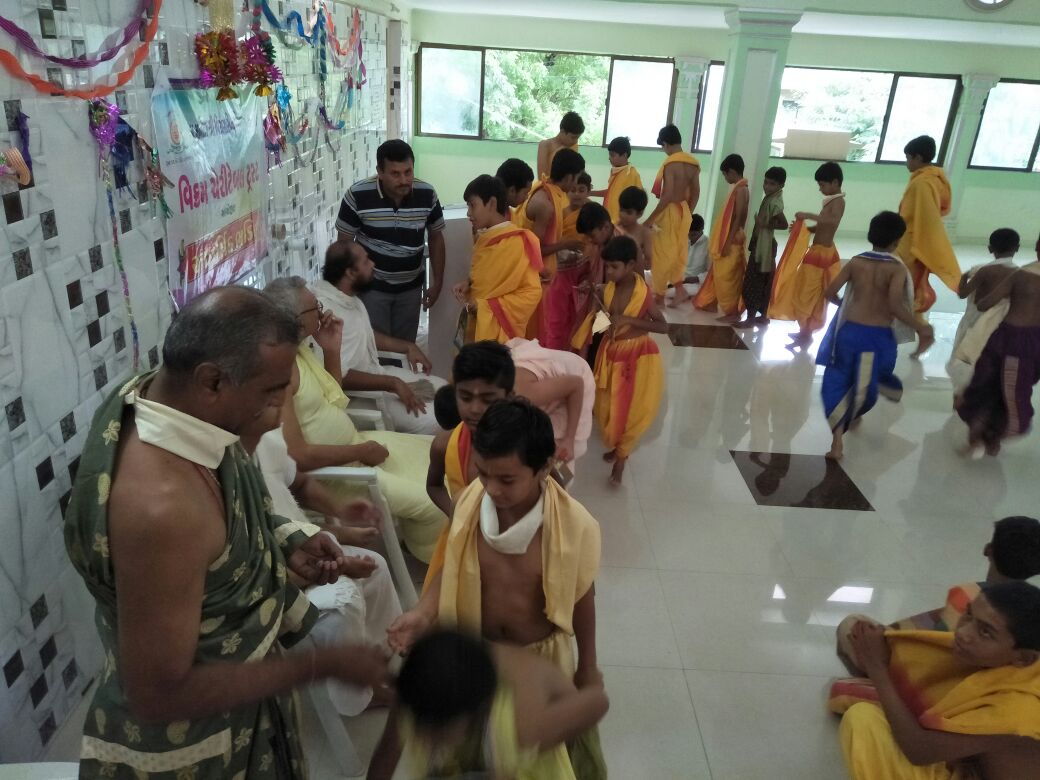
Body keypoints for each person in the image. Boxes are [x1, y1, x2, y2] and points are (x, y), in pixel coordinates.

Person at [64, 287, 388, 778]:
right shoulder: (162, 510)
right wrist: (320, 665)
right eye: (272, 392)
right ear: (212, 380)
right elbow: (157, 695)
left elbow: (227, 506)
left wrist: (285, 541)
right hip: (194, 750)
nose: (279, 409)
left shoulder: (162, 400)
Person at [378, 399, 606, 780]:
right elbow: (453, 563)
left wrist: (588, 666)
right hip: (475, 657)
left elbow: (583, 595)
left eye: (507, 480)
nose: (492, 489)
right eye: (483, 474)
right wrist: (423, 612)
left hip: (536, 662)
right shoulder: (469, 503)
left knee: (532, 758)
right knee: (464, 750)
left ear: (544, 467)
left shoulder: (572, 526)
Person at [264, 277, 447, 563]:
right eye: (315, 308)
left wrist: (331, 349)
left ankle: (424, 542)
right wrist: (360, 451)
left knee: (438, 454)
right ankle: (440, 562)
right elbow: (298, 455)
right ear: (296, 321)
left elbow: (332, 396)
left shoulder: (300, 351)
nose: (323, 312)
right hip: (340, 473)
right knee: (434, 503)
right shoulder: (279, 374)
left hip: (356, 447)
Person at [242, 405, 402, 716]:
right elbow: (252, 566)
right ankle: (355, 698)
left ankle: (376, 666)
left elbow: (300, 483)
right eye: (271, 394)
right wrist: (334, 564)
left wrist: (340, 511)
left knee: (376, 567)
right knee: (343, 601)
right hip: (269, 581)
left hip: (306, 555)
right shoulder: (216, 470)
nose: (279, 408)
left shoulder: (265, 437)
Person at [838, 582, 1040, 780]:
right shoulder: (1007, 659)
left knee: (862, 720)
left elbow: (919, 750)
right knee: (852, 625)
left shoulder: (1018, 711)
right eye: (968, 614)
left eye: (985, 632)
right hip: (971, 759)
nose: (963, 633)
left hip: (958, 764)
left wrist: (877, 668)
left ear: (1024, 658)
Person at [836, 516, 1040, 677]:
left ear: (988, 549)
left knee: (853, 624)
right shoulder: (1032, 610)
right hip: (982, 679)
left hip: (929, 672)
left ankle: (874, 680)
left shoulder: (969, 594)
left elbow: (916, 635)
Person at [392, 630, 609, 780]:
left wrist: (590, 677)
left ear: (473, 712)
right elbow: (390, 749)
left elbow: (598, 702)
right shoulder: (421, 695)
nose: (426, 738)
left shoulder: (521, 728)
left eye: (436, 732)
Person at [817, 212, 935, 460]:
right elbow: (895, 305)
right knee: (866, 383)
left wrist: (846, 306)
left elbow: (829, 292)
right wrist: (920, 326)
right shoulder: (896, 269)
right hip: (877, 338)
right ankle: (859, 409)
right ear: (897, 241)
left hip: (848, 333)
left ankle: (837, 443)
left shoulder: (856, 262)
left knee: (838, 380)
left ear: (871, 235)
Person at [312, 241, 448, 435]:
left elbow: (365, 335)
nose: (373, 264)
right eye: (366, 261)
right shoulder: (327, 311)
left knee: (445, 390)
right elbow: (338, 376)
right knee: (440, 421)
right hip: (361, 397)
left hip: (378, 375)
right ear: (350, 273)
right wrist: (393, 383)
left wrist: (407, 346)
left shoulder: (348, 297)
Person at [336, 139, 445, 341]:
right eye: (395, 173)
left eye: (408, 172)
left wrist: (438, 282)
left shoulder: (427, 194)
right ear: (380, 171)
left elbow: (436, 237)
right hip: (372, 289)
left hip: (411, 288)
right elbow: (344, 244)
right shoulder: (357, 195)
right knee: (374, 346)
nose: (404, 180)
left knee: (405, 346)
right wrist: (347, 288)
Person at [956, 233, 1040, 456]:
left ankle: (978, 430)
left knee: (987, 383)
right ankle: (993, 436)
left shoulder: (1019, 275)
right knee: (1013, 392)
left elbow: (984, 304)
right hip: (1029, 344)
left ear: (1037, 247)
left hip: (1004, 336)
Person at [595, 236, 668, 485]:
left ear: (629, 265)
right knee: (607, 406)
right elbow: (604, 319)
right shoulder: (610, 288)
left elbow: (663, 327)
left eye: (614, 267)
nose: (609, 272)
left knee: (631, 410)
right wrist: (595, 300)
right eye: (607, 266)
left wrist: (628, 320)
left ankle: (621, 458)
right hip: (610, 355)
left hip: (637, 360)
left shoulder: (643, 293)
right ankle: (618, 446)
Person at [453, 174, 543, 344]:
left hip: (500, 335)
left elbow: (532, 293)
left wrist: (487, 307)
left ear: (492, 203)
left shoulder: (518, 243)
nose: (468, 213)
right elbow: (488, 279)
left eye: (472, 205)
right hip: (476, 324)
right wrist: (469, 284)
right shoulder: (484, 238)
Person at [769, 161, 846, 347]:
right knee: (807, 291)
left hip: (823, 254)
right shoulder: (831, 201)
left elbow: (832, 221)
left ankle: (807, 332)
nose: (820, 189)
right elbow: (823, 225)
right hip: (817, 251)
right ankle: (804, 331)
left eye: (822, 185)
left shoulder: (839, 202)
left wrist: (808, 215)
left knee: (810, 293)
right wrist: (804, 230)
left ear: (835, 182)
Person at [515, 148, 587, 339]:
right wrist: (565, 245)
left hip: (544, 273)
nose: (576, 184)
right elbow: (534, 249)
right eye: (576, 178)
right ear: (569, 177)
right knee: (536, 334)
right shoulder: (545, 204)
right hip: (538, 275)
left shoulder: (545, 189)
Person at [947, 228, 1019, 400]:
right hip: (1000, 324)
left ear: (990, 248)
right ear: (1017, 248)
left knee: (965, 358)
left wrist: (964, 277)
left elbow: (963, 293)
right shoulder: (1019, 273)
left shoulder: (985, 271)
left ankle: (961, 396)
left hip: (974, 321)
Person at [898, 135, 961, 316]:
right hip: (910, 233)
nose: (907, 163)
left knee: (905, 280)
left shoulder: (923, 182)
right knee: (911, 280)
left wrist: (924, 244)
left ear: (918, 157)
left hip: (912, 239)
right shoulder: (935, 177)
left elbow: (928, 218)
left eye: (908, 158)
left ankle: (904, 316)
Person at [644, 124, 699, 307]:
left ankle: (659, 296)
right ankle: (680, 290)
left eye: (663, 146)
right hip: (684, 211)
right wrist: (688, 213)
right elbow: (696, 192)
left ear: (666, 143)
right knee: (678, 251)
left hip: (669, 211)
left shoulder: (670, 164)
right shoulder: (693, 164)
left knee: (661, 253)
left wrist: (649, 220)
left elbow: (666, 196)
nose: (664, 151)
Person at [694, 153, 749, 320]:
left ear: (731, 171)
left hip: (733, 240)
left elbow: (738, 218)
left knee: (728, 277)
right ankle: (712, 302)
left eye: (725, 174)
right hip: (732, 238)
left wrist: (727, 242)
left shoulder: (741, 190)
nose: (725, 178)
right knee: (719, 273)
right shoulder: (739, 188)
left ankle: (732, 312)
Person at [735, 166, 788, 328]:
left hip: (763, 248)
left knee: (753, 282)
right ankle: (763, 316)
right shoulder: (772, 198)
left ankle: (750, 319)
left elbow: (784, 224)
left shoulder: (774, 202)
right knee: (764, 281)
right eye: (766, 182)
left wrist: (764, 224)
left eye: (772, 184)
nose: (767, 186)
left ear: (781, 185)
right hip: (764, 245)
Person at [568, 202, 620, 356]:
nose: (589, 240)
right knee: (590, 342)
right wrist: (589, 284)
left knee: (602, 346)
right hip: (598, 304)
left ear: (606, 227)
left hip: (616, 308)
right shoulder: (598, 242)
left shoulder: (624, 245)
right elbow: (594, 273)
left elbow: (638, 284)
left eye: (592, 235)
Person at [593, 135, 644, 224]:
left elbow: (638, 201)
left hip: (621, 223)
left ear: (624, 155)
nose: (609, 158)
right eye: (609, 155)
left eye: (612, 155)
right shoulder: (615, 171)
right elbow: (610, 193)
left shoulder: (631, 174)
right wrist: (590, 192)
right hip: (609, 220)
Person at [616, 185, 654, 273]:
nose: (623, 215)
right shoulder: (615, 228)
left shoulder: (645, 233)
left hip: (634, 276)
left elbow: (649, 264)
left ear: (640, 214)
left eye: (629, 212)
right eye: (621, 210)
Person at [537, 111, 585, 181]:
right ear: (562, 131)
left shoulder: (574, 146)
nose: (575, 141)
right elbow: (542, 177)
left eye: (578, 138)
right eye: (573, 137)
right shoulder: (545, 145)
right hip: (548, 186)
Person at [497, 157, 536, 221]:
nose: (526, 197)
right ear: (512, 191)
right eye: (525, 193)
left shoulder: (509, 215)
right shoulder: (488, 213)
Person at [562, 171, 594, 241]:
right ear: (566, 192)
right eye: (572, 190)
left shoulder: (592, 213)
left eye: (581, 190)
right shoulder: (560, 213)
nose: (576, 194)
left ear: (588, 192)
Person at [684, 213, 709, 284]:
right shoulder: (684, 241)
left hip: (695, 283)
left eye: (693, 235)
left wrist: (697, 278)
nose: (690, 237)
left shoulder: (709, 245)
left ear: (702, 229)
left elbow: (711, 272)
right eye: (688, 233)